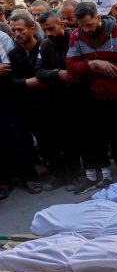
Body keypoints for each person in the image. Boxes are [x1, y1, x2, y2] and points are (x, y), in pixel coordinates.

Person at [66, 1, 117, 189]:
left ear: (98, 17)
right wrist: (93, 65)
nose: (87, 29)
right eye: (82, 26)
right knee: (112, 137)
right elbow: (71, 67)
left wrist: (101, 67)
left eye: (90, 24)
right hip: (98, 97)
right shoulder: (76, 36)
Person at [34, 10, 83, 188]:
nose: (48, 33)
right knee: (58, 140)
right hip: (56, 99)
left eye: (51, 29)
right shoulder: (45, 45)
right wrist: (57, 73)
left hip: (77, 97)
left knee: (74, 139)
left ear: (61, 24)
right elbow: (39, 71)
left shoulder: (75, 40)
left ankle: (77, 174)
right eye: (44, 30)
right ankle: (63, 176)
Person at [6, 10, 44, 194]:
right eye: (13, 30)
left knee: (49, 139)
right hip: (23, 106)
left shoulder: (44, 47)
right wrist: (26, 83)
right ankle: (31, 177)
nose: (17, 34)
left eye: (20, 29)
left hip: (46, 103)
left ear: (32, 28)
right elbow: (8, 82)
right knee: (25, 141)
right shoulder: (12, 55)